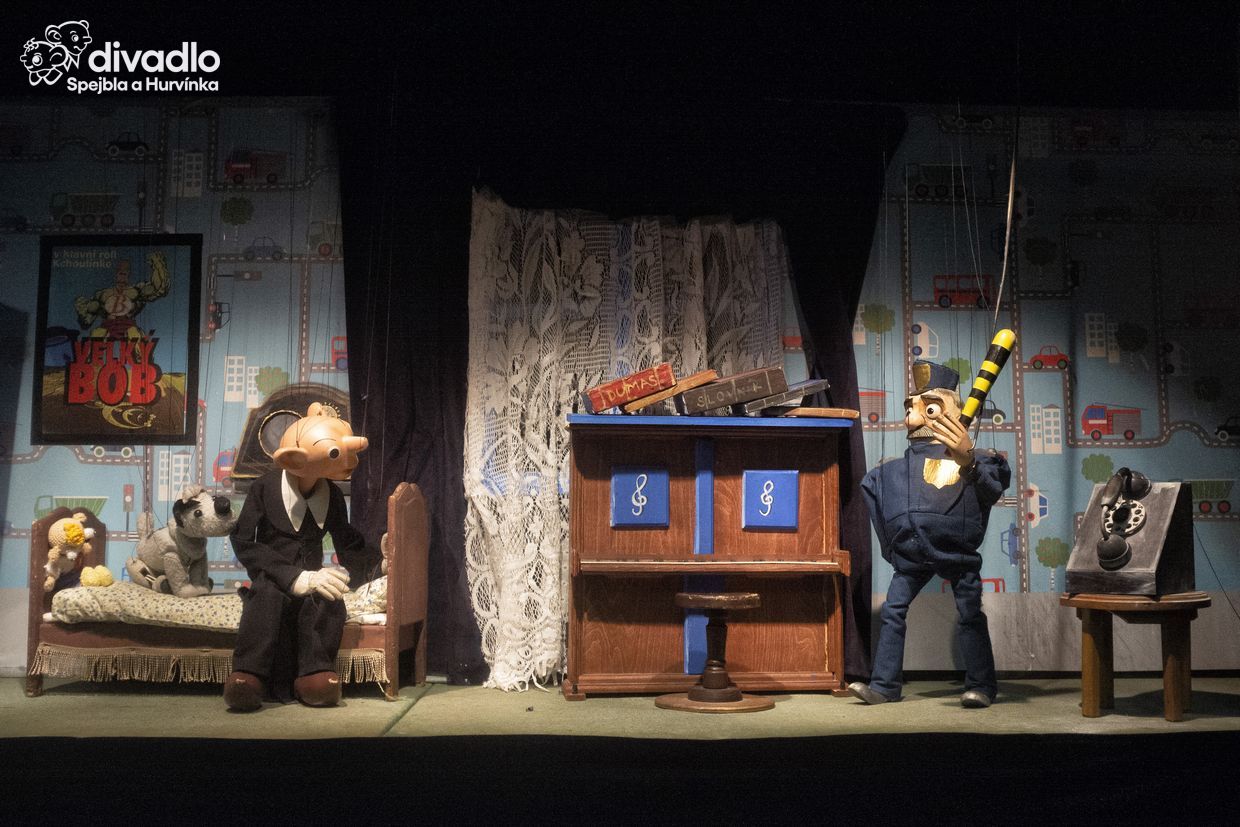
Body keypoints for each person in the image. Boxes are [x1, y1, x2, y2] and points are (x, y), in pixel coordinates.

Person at [850, 361, 1010, 708]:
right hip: (911, 555)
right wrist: (894, 548)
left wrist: (969, 461)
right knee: (893, 610)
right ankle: (884, 686)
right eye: (910, 409)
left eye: (928, 408)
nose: (912, 419)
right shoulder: (894, 469)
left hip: (957, 553)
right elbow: (874, 497)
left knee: (969, 613)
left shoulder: (974, 461)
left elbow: (992, 491)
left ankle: (982, 685)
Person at [223, 403, 385, 711]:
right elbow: (243, 540)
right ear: (295, 459)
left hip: (314, 578)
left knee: (328, 599)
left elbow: (348, 544)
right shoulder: (265, 488)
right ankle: (249, 674)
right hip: (273, 576)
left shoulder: (331, 495)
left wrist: (379, 563)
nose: (350, 462)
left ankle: (315, 673)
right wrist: (294, 577)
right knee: (266, 598)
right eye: (336, 453)